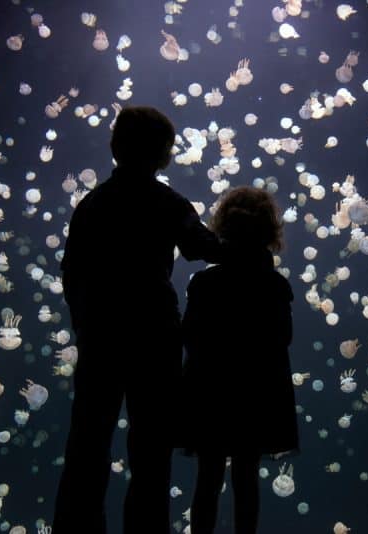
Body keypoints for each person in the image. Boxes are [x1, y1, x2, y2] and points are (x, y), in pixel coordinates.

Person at [53, 106, 224, 534]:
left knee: (88, 444)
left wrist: (84, 323)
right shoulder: (167, 203)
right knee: (151, 450)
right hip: (154, 334)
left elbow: (71, 272)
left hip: (101, 334)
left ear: (116, 146)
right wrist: (249, 242)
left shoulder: (92, 205)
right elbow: (205, 245)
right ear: (165, 154)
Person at [180, 186, 300, 534]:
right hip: (256, 391)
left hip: (211, 389)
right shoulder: (274, 285)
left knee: (208, 475)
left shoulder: (205, 282)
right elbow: (283, 338)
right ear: (269, 232)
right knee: (246, 475)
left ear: (223, 228)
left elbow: (190, 335)